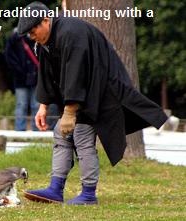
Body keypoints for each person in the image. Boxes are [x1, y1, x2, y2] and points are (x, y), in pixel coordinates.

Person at [18, 2, 168, 205]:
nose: (31, 36)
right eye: (28, 33)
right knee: (61, 134)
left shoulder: (72, 32)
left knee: (81, 136)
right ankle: (55, 189)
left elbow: (76, 73)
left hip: (101, 90)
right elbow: (47, 73)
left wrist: (70, 112)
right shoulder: (46, 40)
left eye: (33, 30)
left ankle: (88, 194)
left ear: (46, 20)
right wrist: (43, 106)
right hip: (83, 93)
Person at [5, 28, 39, 131]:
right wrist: (18, 70)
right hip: (20, 78)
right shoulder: (15, 37)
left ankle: (37, 130)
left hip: (37, 77)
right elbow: (9, 56)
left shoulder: (40, 35)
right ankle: (19, 130)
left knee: (36, 105)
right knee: (21, 105)